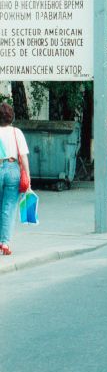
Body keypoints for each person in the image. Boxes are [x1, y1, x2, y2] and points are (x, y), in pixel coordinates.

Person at [0, 102, 31, 257]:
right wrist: (28, 176)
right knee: (8, 208)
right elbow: (24, 156)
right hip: (12, 169)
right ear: (11, 116)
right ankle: (4, 242)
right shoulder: (16, 132)